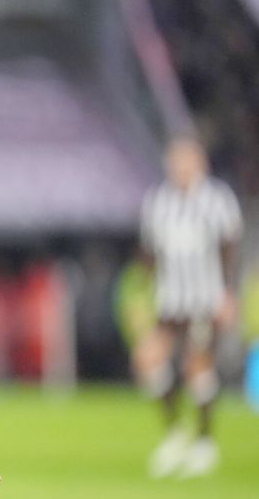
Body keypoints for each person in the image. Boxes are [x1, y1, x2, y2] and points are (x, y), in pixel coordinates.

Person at [136, 136, 243, 478]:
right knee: (148, 359)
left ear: (200, 162)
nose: (180, 167)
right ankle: (175, 434)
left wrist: (229, 293)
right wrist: (144, 294)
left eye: (186, 159)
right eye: (175, 159)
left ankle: (204, 442)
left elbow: (230, 248)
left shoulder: (216, 200)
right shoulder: (159, 201)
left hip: (205, 299)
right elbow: (150, 255)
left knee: (196, 366)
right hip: (170, 300)